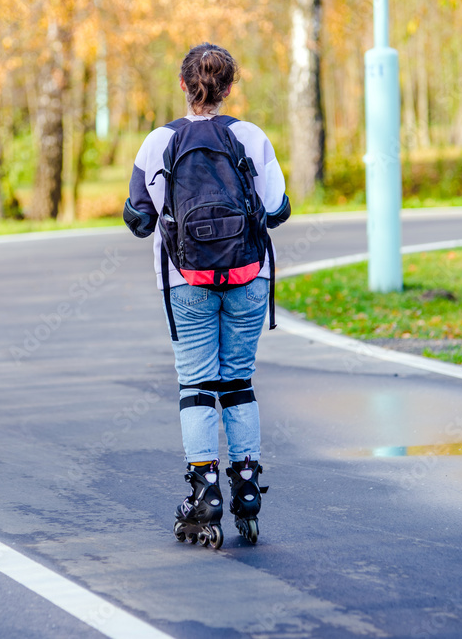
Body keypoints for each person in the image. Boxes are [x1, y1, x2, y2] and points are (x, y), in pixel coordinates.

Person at [124, 43, 290, 547]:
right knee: (238, 381)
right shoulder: (250, 136)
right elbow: (278, 208)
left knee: (196, 385)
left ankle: (205, 492)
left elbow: (137, 218)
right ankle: (245, 485)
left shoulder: (159, 142)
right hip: (249, 275)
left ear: (183, 86)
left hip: (185, 279)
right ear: (229, 87)